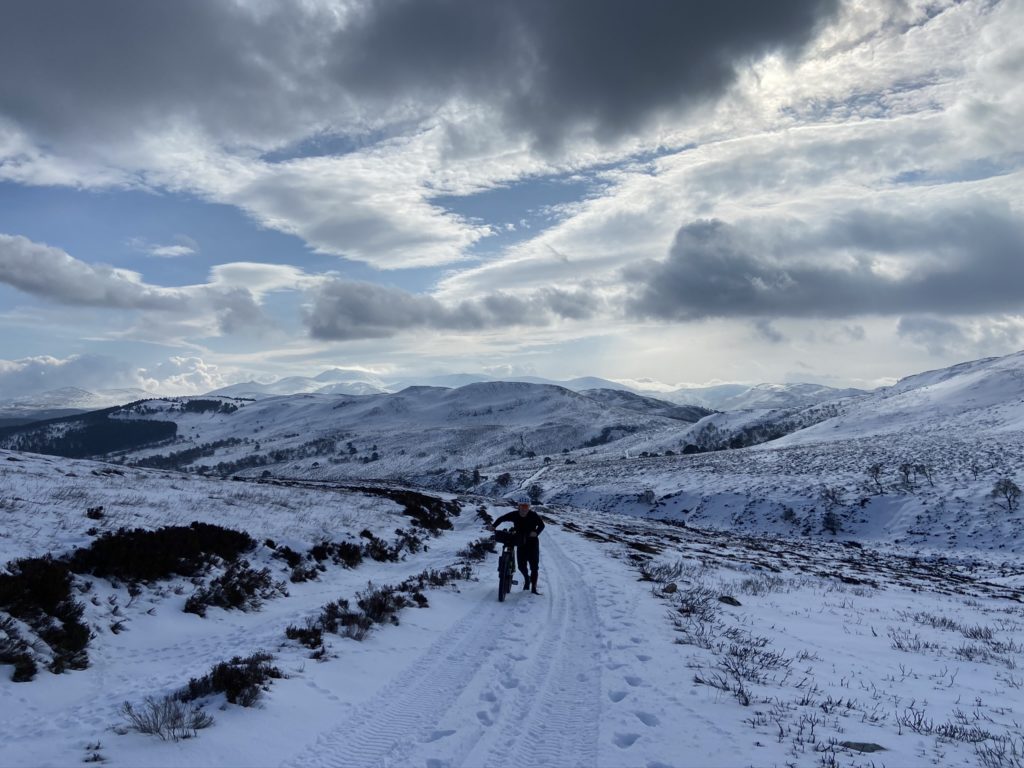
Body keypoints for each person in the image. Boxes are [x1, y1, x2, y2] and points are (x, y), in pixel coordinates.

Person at [490, 502, 546, 595]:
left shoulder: (533, 515)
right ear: (518, 507)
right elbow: (502, 518)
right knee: (521, 566)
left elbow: (542, 525)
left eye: (526, 506)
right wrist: (493, 526)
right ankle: (527, 579)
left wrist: (536, 532)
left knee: (534, 567)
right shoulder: (514, 514)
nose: (524, 509)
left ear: (529, 507)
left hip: (532, 542)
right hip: (520, 541)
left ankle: (534, 589)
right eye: (522, 506)